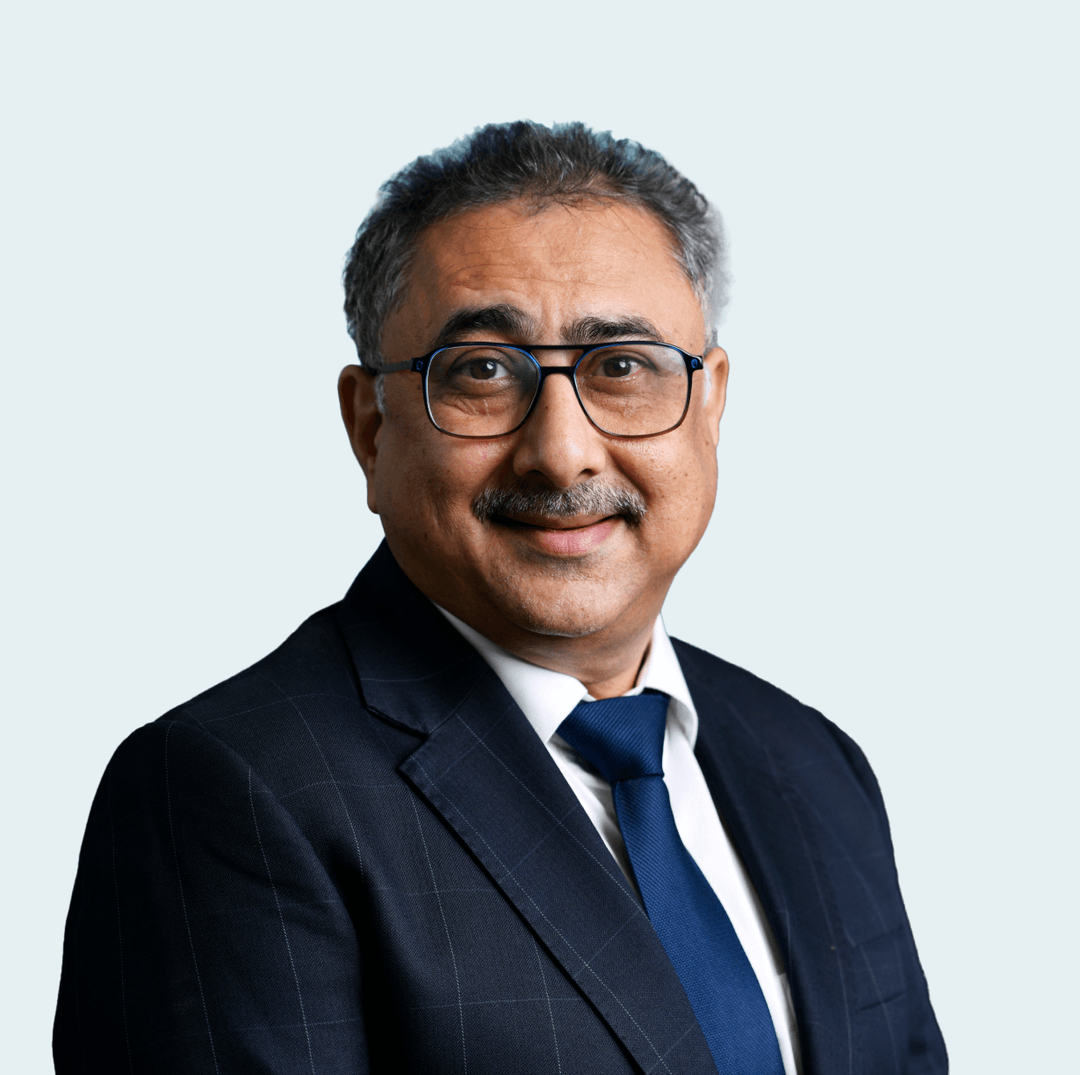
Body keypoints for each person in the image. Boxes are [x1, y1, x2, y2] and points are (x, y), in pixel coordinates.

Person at [54, 122, 947, 1075]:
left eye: (622, 366)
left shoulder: (813, 764)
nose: (561, 452)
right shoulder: (230, 792)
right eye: (482, 371)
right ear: (369, 427)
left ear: (710, 402)